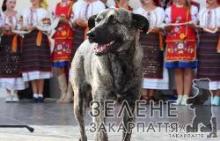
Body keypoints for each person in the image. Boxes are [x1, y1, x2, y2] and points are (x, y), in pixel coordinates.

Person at [134, 0, 169, 102]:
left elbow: (165, 25)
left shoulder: (160, 11)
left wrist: (159, 28)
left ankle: (152, 95)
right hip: (142, 42)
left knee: (155, 67)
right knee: (142, 67)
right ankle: (144, 95)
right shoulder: (138, 11)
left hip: (156, 42)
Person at [164, 0, 198, 105]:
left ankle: (186, 96)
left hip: (187, 41)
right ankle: (179, 96)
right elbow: (167, 27)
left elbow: (196, 27)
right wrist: (168, 26)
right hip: (174, 41)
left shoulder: (193, 9)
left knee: (187, 69)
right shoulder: (169, 9)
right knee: (177, 70)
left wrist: (192, 24)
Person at [21, 0, 52, 103]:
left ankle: (40, 93)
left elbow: (47, 26)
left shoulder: (44, 11)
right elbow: (21, 25)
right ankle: (35, 93)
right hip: (29, 39)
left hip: (40, 38)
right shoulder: (25, 11)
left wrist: (36, 26)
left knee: (40, 66)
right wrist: (25, 27)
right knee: (32, 67)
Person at [0, 0, 27, 102]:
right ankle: (8, 93)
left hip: (16, 40)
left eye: (14, 2)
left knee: (16, 64)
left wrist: (18, 26)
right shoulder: (1, 15)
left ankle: (15, 92)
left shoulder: (18, 14)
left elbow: (22, 27)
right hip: (5, 41)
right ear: (5, 3)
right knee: (5, 65)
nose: (12, 4)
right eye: (10, 2)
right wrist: (3, 28)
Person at [197, 0, 220, 105]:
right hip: (204, 41)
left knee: (217, 68)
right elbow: (199, 25)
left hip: (218, 40)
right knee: (205, 68)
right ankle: (207, 95)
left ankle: (217, 96)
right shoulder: (202, 11)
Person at [51, 0, 75, 103]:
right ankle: (63, 92)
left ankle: (70, 94)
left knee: (71, 65)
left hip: (69, 38)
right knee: (59, 66)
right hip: (58, 38)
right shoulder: (57, 5)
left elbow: (73, 22)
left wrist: (63, 19)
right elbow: (53, 21)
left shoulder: (73, 5)